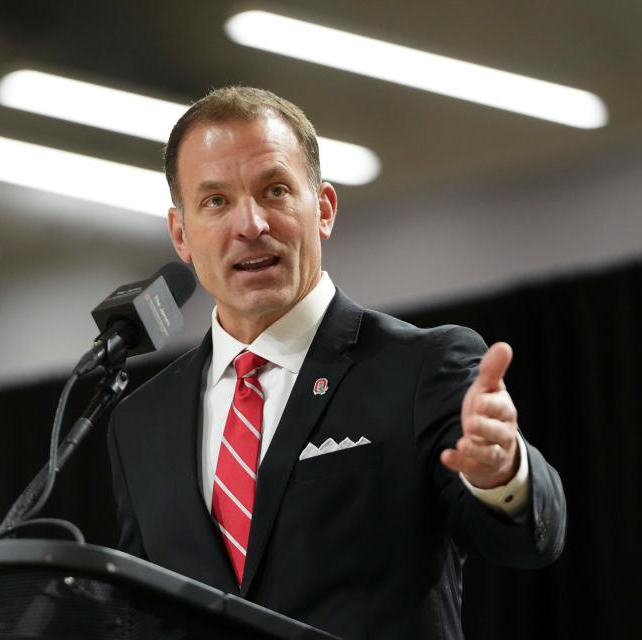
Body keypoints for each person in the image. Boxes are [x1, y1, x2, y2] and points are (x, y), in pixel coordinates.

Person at [106, 87, 566, 640]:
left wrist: (502, 474)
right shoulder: (140, 423)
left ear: (322, 208)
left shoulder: (421, 366)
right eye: (216, 201)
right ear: (181, 234)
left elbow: (529, 542)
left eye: (274, 190)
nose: (250, 224)